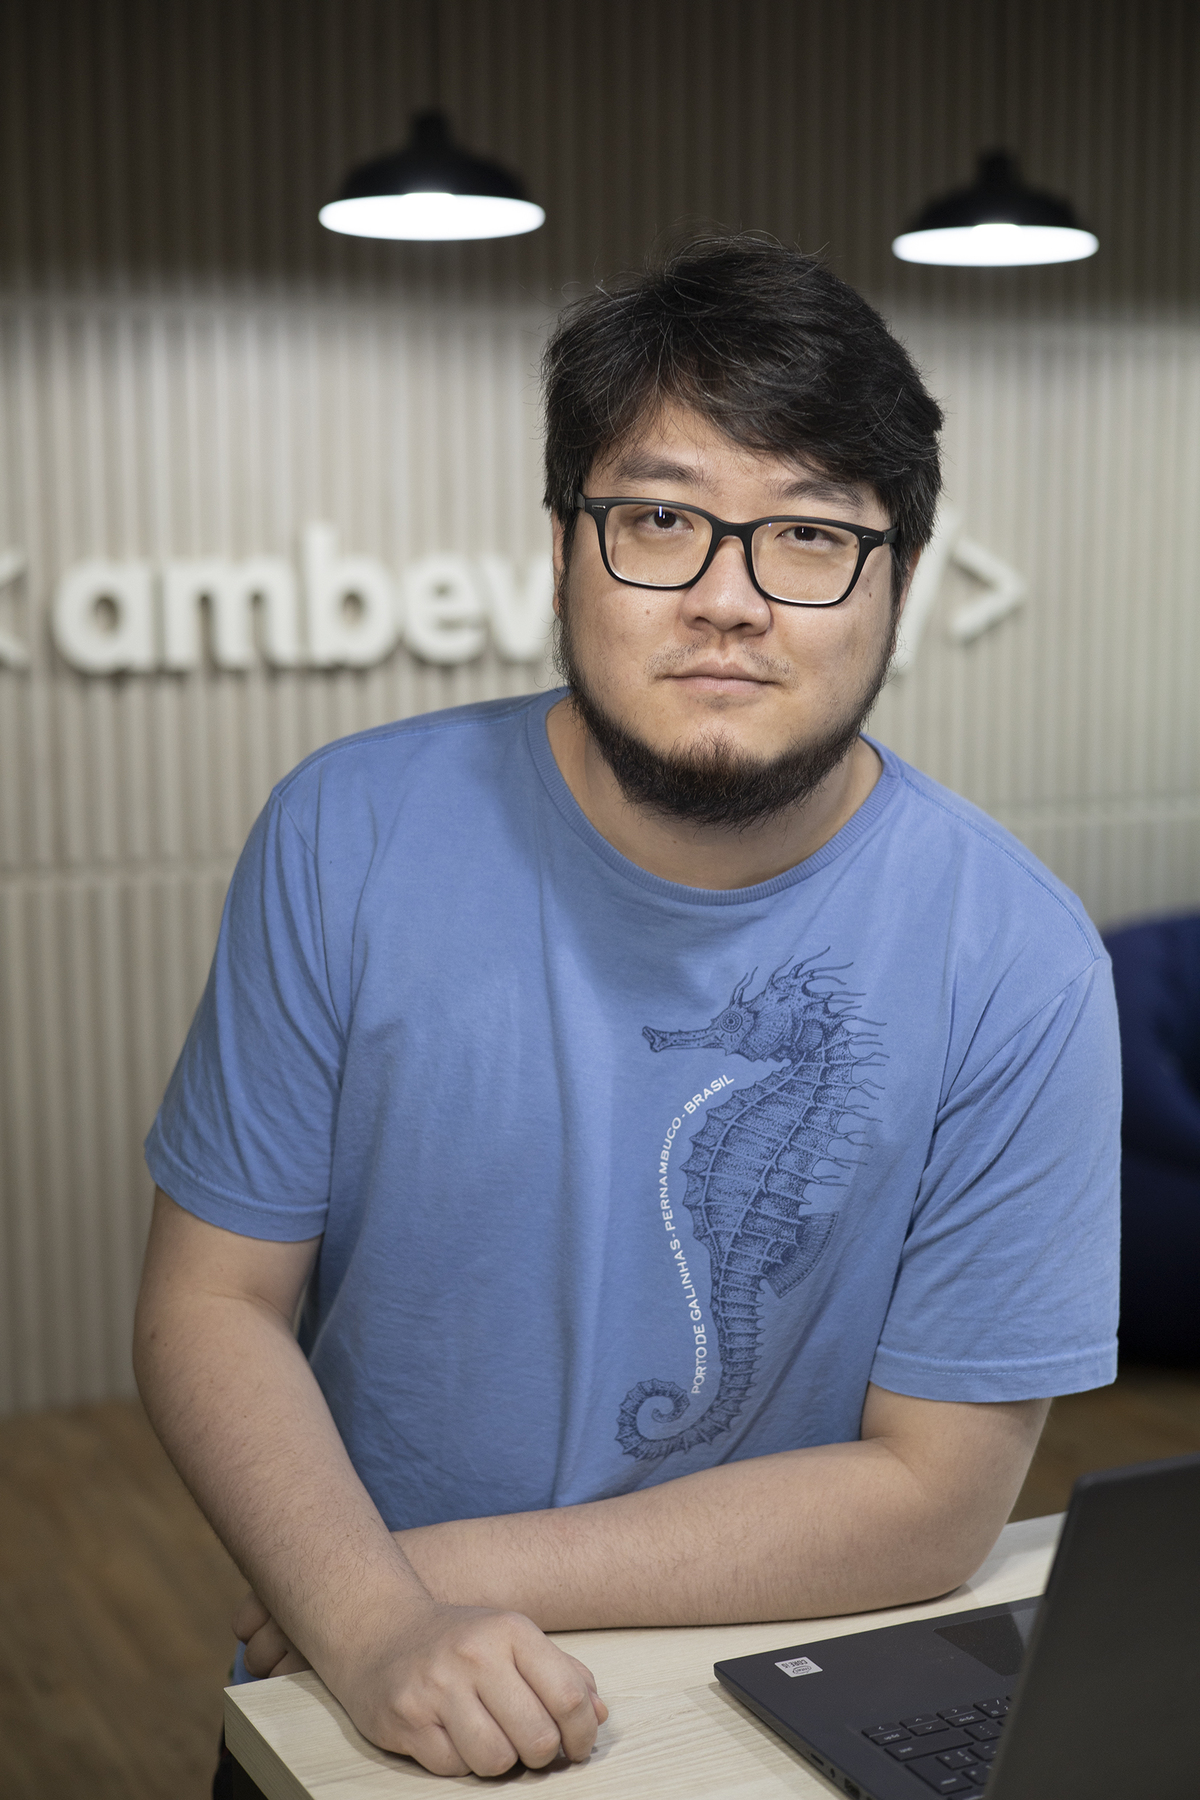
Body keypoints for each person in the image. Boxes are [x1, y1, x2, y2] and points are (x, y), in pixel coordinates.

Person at [134, 236, 1120, 1785]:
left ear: (901, 580)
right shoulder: (349, 835)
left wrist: (418, 1578)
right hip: (365, 1698)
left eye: (810, 534)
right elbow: (212, 1303)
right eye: (661, 519)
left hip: (754, 1688)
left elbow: (935, 1498)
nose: (728, 601)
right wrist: (373, 1627)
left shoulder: (1020, 958)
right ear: (560, 548)